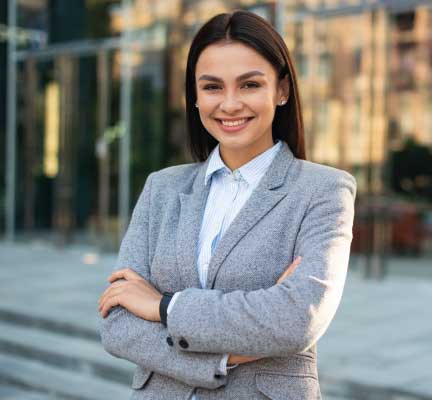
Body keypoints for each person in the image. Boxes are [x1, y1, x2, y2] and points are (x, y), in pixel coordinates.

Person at [98, 9, 356, 399]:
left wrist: (163, 307)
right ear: (195, 97)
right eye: (213, 87)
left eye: (250, 85)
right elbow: (117, 324)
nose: (230, 104)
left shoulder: (324, 190)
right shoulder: (161, 189)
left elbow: (296, 319)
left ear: (281, 90)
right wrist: (224, 357)